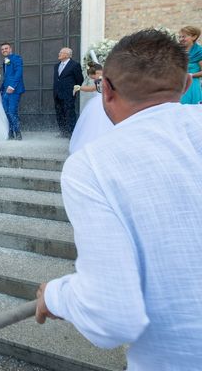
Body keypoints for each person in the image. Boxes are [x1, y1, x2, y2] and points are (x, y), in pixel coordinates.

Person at [35, 29, 202, 369]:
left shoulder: (91, 165)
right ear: (186, 86)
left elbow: (112, 315)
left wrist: (55, 295)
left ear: (105, 89)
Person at [69, 64, 114, 155]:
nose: (93, 79)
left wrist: (79, 87)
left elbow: (93, 88)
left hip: (100, 103)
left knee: (95, 123)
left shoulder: (101, 78)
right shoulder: (109, 75)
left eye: (92, 77)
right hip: (105, 102)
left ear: (96, 73)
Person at [53, 47, 83, 138]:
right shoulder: (56, 66)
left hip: (69, 94)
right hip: (57, 94)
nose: (59, 54)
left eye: (61, 52)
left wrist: (73, 89)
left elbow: (80, 79)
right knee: (59, 113)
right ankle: (63, 132)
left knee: (69, 113)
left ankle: (72, 133)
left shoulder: (75, 65)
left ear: (67, 55)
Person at [0, 43, 25, 140]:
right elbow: (7, 76)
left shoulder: (16, 58)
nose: (4, 50)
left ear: (10, 49)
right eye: (2, 49)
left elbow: (18, 72)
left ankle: (18, 133)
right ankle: (10, 132)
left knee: (12, 111)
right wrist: (1, 88)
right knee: (6, 112)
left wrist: (12, 86)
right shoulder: (5, 60)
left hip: (14, 90)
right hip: (5, 90)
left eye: (6, 48)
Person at [178, 25, 202, 104]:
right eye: (180, 37)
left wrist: (190, 75)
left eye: (184, 37)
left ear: (194, 37)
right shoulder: (178, 51)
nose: (181, 39)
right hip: (178, 84)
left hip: (192, 85)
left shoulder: (199, 52)